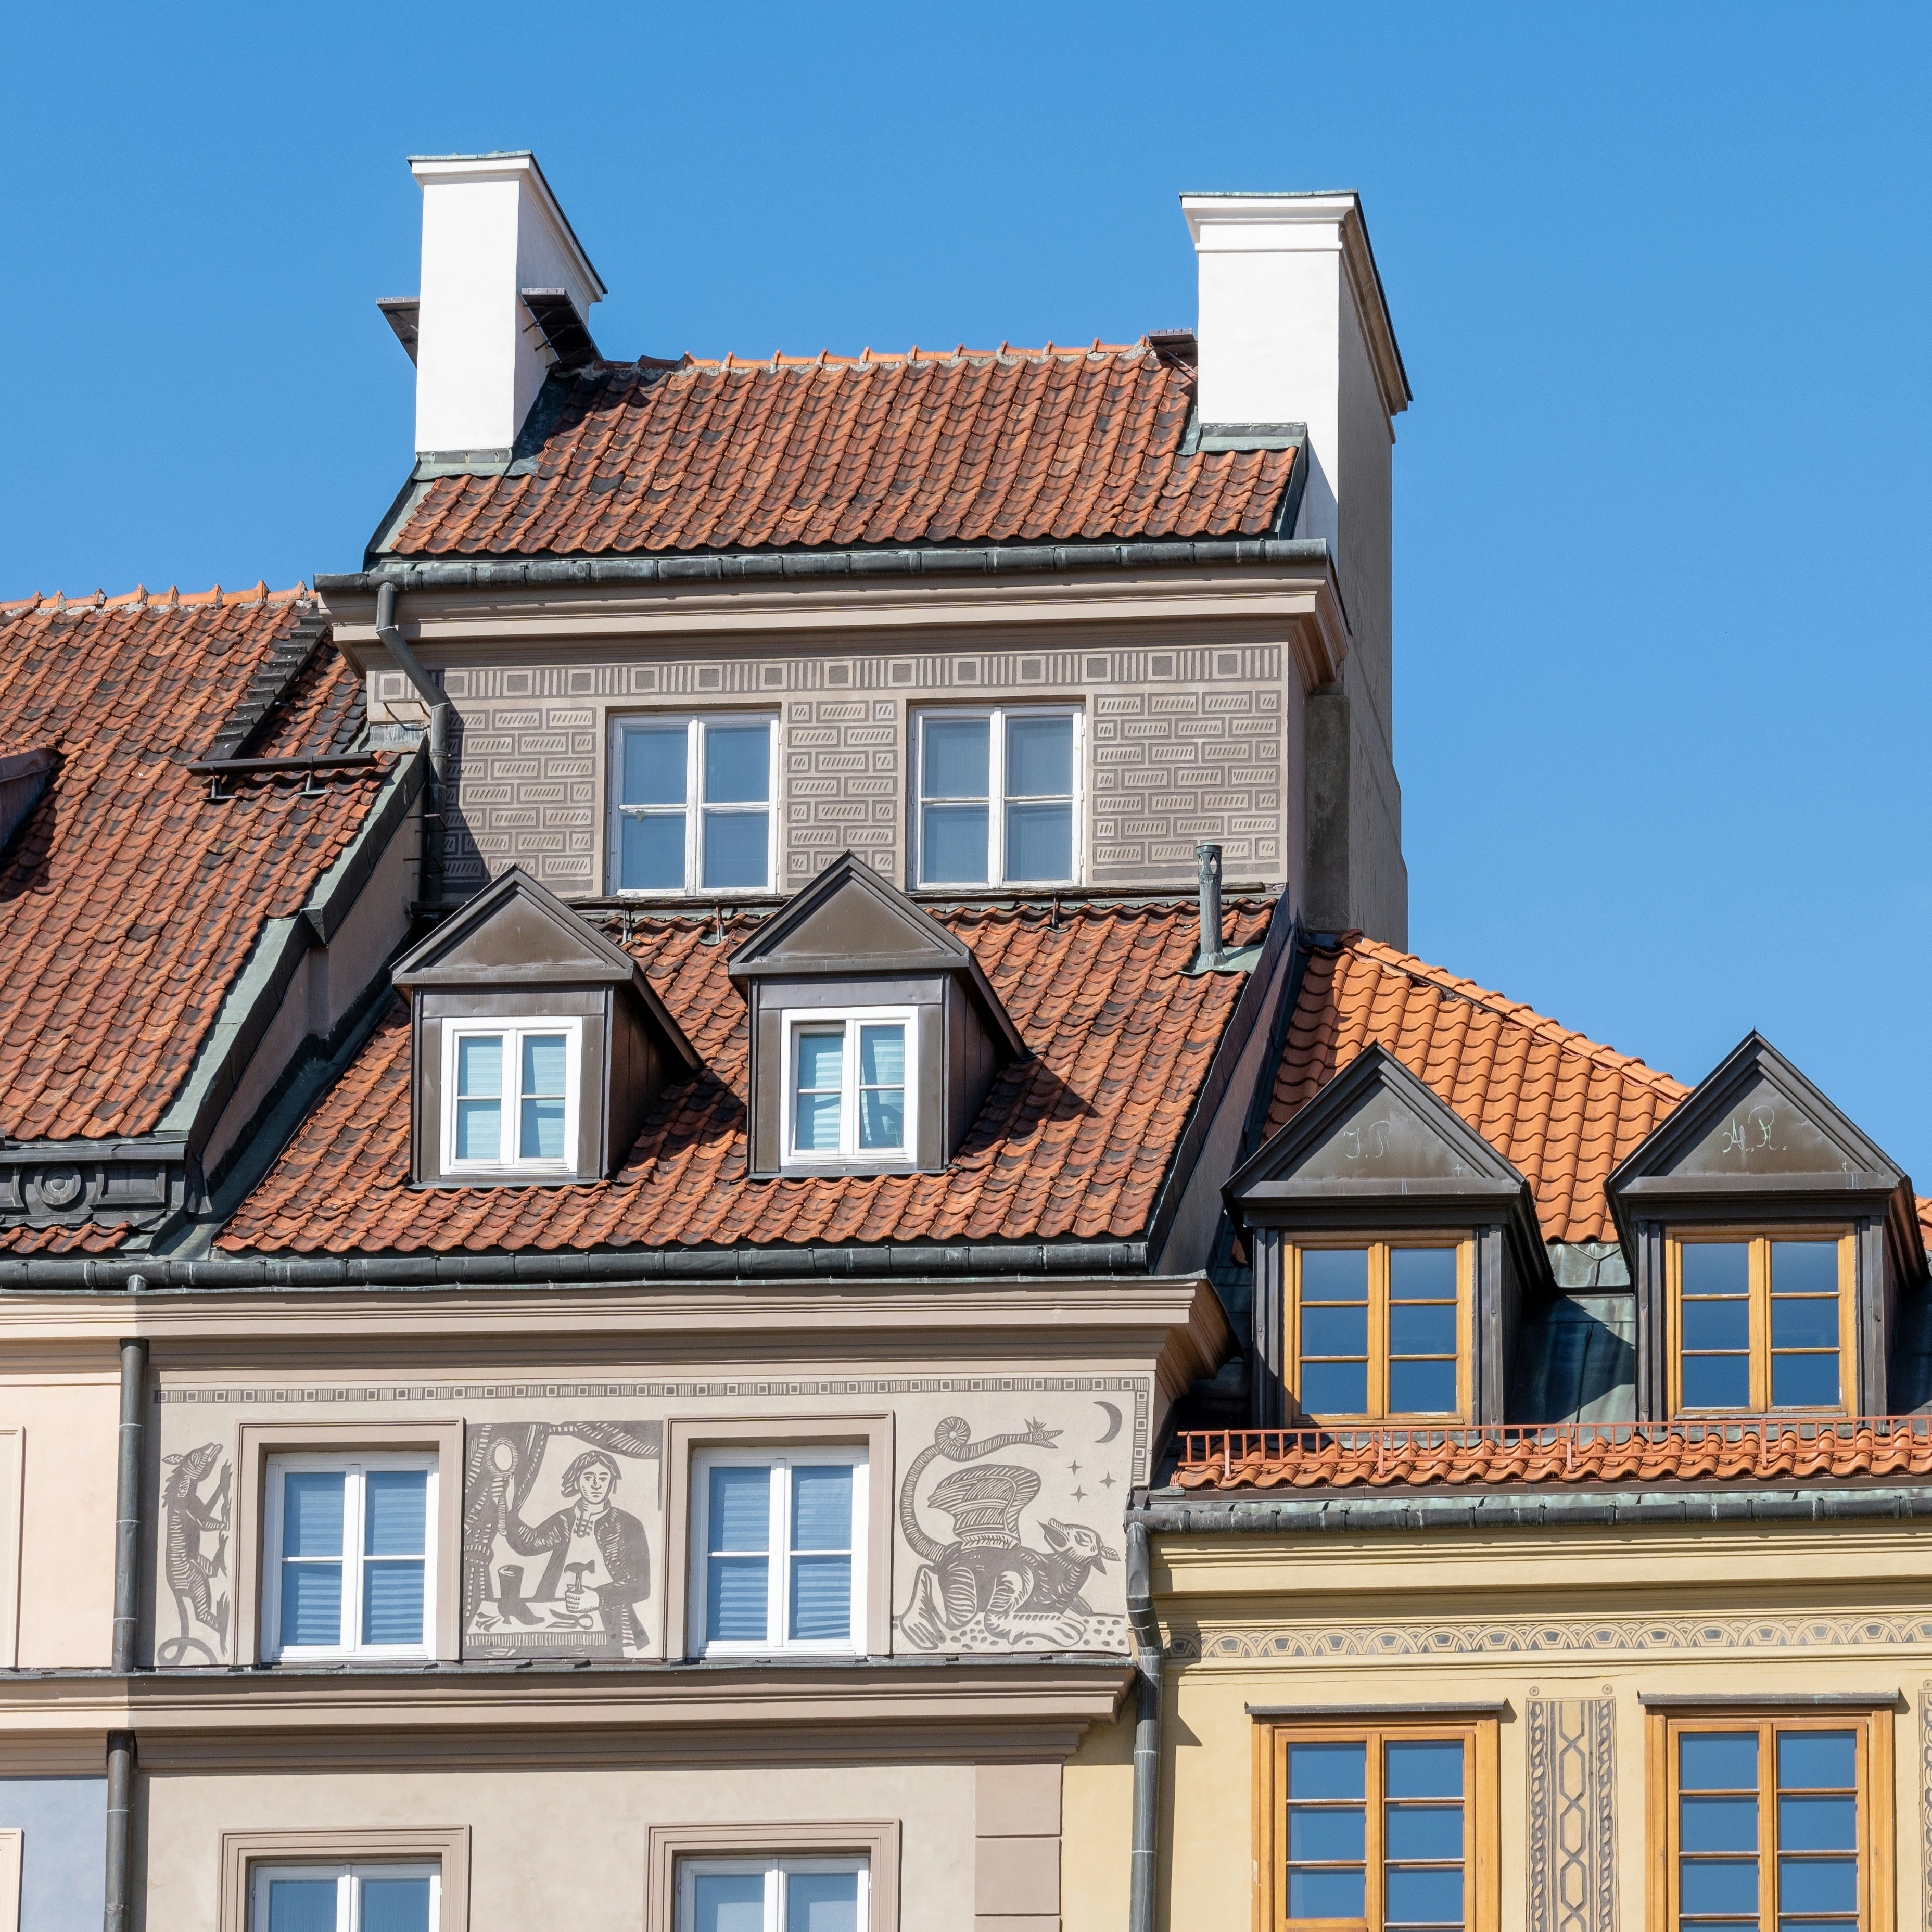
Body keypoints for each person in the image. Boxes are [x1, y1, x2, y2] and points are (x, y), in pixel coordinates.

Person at [498, 1448, 650, 1646]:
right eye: (589, 1477)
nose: (596, 1485)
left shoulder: (629, 1525)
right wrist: (508, 1510)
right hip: (556, 1610)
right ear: (577, 1481)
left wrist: (598, 1598)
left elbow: (641, 1586)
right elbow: (529, 1543)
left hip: (611, 1616)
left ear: (612, 1483)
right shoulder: (564, 1520)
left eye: (604, 1478)